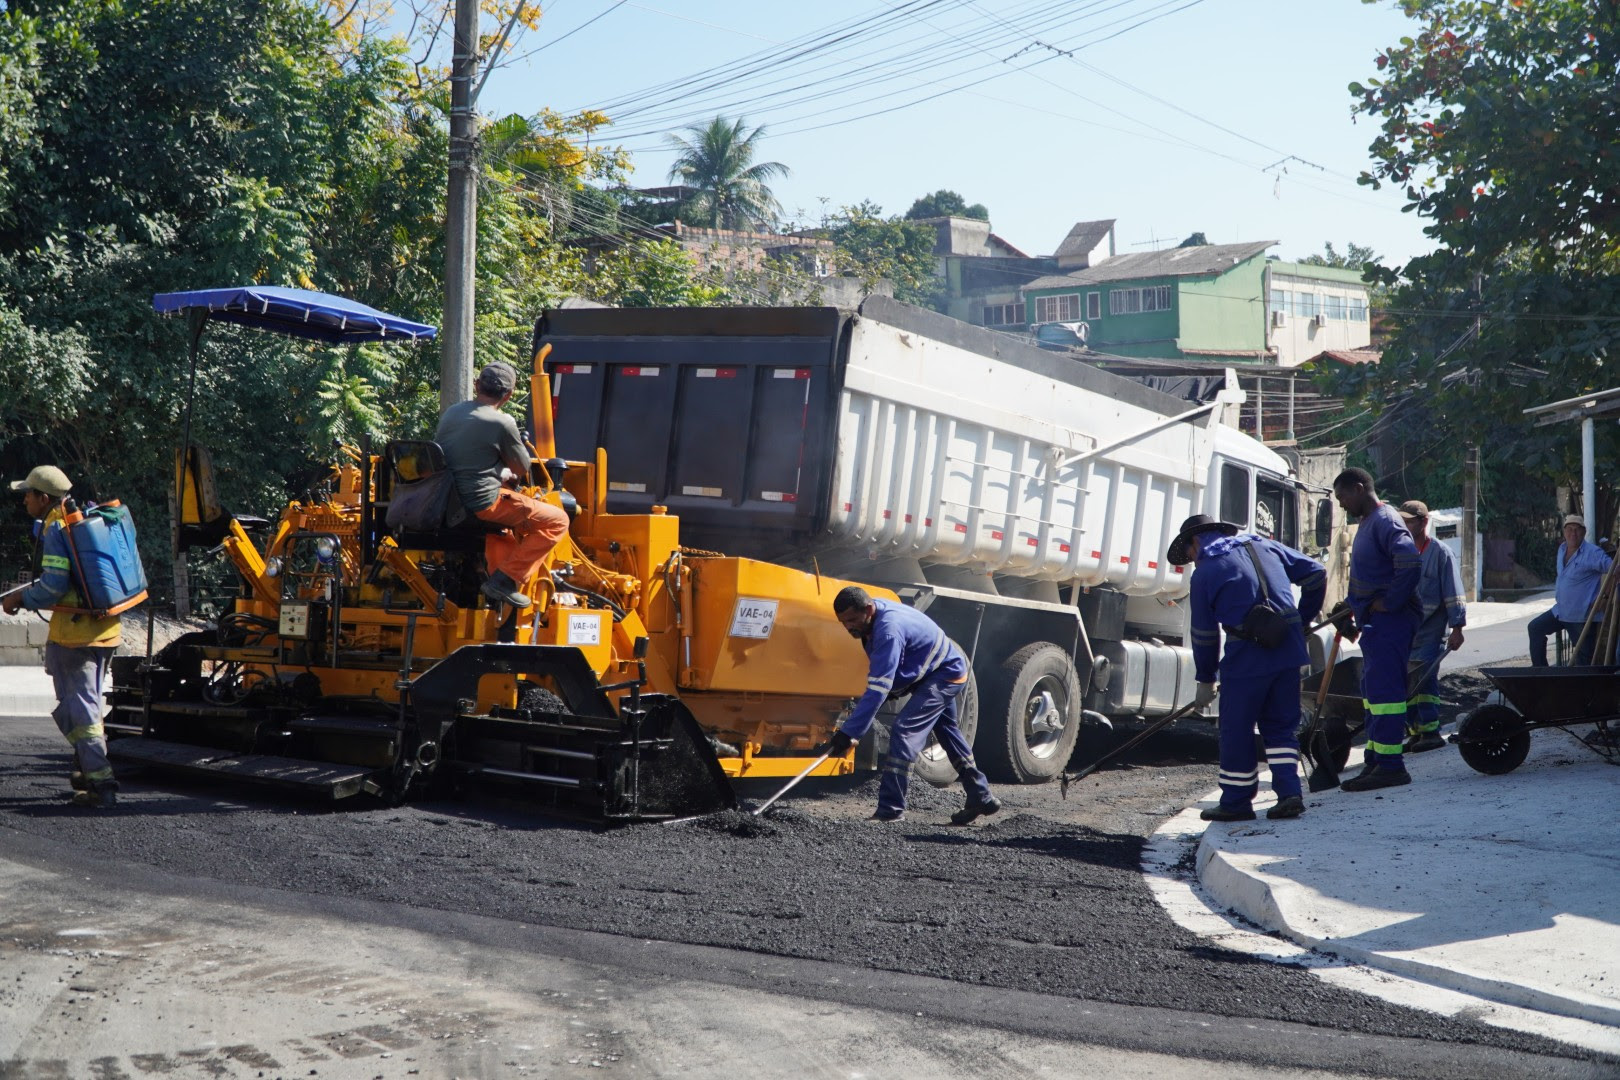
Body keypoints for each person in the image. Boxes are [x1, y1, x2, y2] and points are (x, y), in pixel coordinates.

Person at [1172, 514, 1326, 822]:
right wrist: (1301, 621)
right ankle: (1290, 794)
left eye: (1188, 553)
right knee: (1281, 727)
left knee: (1237, 728)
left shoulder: (1205, 574)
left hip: (1247, 658)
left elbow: (1204, 634)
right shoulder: (1264, 545)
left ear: (1196, 541)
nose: (1190, 560)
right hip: (1288, 650)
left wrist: (1205, 678)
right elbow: (1316, 574)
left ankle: (1236, 801)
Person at [818, 586, 997, 824]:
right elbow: (892, 674)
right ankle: (981, 796)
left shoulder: (888, 631)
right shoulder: (874, 614)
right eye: (843, 622)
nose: (849, 627)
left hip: (944, 674)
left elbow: (880, 686)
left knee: (904, 731)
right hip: (934, 670)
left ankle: (891, 810)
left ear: (869, 609)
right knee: (947, 732)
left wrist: (850, 732)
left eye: (852, 620)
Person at [2, 465, 120, 808]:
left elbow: (54, 585)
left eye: (28, 494)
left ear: (44, 497)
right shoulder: (82, 519)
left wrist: (20, 599)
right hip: (106, 630)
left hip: (75, 636)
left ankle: (101, 782)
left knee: (79, 711)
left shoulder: (58, 528)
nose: (24, 499)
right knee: (89, 706)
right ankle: (85, 774)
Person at [435, 360, 570, 609]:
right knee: (558, 521)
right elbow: (522, 467)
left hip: (447, 501)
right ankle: (505, 580)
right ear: (508, 395)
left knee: (505, 522)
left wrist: (499, 473)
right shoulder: (502, 422)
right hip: (482, 503)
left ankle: (494, 583)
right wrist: (507, 471)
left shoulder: (452, 412)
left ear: (477, 386)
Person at [1333, 468, 1422, 792]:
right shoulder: (1368, 523)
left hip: (1391, 622)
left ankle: (1391, 766)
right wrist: (1350, 606)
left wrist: (1390, 602)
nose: (1341, 505)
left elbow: (1410, 563)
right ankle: (1375, 762)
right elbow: (1371, 576)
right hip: (1376, 622)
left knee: (1385, 695)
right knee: (1373, 695)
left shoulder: (1385, 520)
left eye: (1343, 497)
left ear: (1358, 489)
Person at [1398, 501, 1466, 753]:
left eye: (1409, 522)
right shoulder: (1401, 552)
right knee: (1407, 681)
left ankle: (1431, 731)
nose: (1404, 526)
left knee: (1424, 681)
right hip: (1405, 632)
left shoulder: (1440, 553)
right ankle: (1415, 731)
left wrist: (1457, 627)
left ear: (1424, 522)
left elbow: (1453, 593)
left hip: (1430, 632)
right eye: (1401, 521)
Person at [1526, 514, 1613, 667]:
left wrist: (1605, 597)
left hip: (1582, 616)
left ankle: (1583, 689)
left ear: (1583, 532)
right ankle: (1541, 673)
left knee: (1583, 660)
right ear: (1564, 531)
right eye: (1570, 529)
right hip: (1560, 611)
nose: (1573, 534)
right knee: (1535, 628)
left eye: (1577, 530)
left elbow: (1615, 570)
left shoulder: (1592, 553)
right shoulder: (1562, 549)